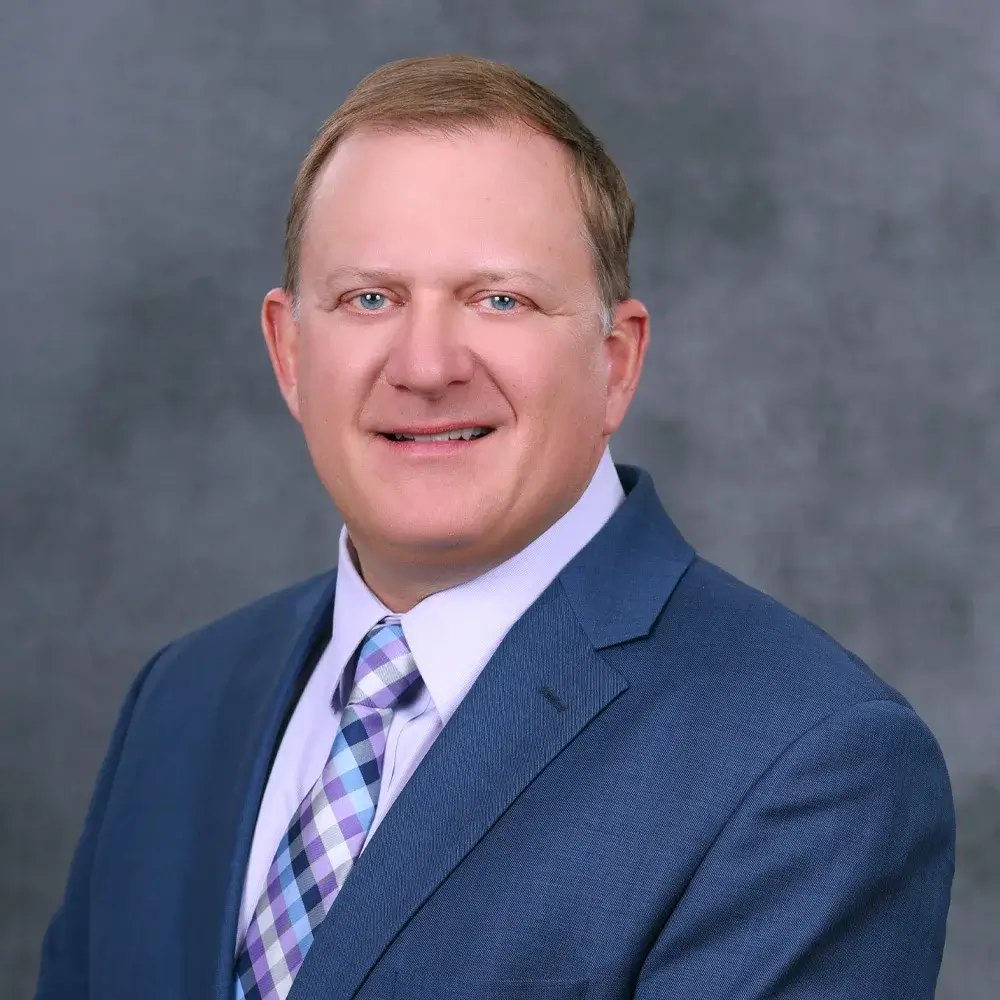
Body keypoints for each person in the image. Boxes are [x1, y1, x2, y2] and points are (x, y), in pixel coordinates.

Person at [35, 54, 955, 1000]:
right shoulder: (181, 697)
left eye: (499, 298)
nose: (426, 365)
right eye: (369, 299)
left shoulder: (811, 762)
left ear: (616, 363)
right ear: (290, 352)